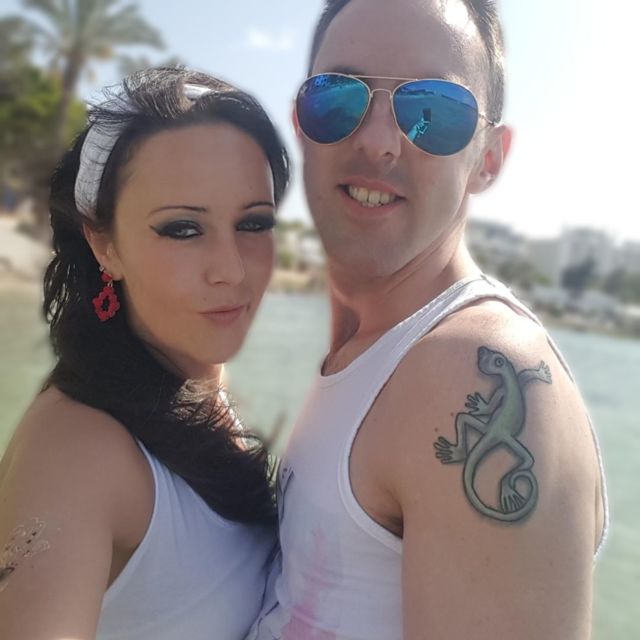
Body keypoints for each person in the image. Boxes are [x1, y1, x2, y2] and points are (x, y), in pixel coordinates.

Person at [248, 1, 609, 639]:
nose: (377, 140)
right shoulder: (370, 348)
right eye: (338, 97)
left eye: (433, 112)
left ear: (488, 158)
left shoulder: (466, 365)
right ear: (301, 123)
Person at [0, 67, 289, 639]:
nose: (231, 270)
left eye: (254, 222)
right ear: (104, 243)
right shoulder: (76, 452)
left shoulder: (197, 392)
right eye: (183, 229)